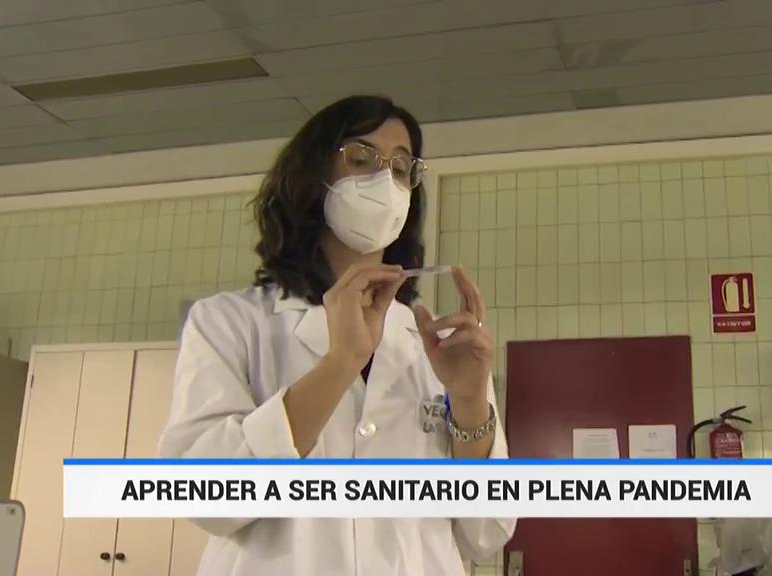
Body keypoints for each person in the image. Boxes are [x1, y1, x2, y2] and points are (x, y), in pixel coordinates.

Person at [159, 95, 515, 575]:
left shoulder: (433, 341)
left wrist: (471, 404)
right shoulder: (229, 323)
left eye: (401, 168)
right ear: (313, 176)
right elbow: (208, 501)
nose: (385, 183)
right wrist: (340, 364)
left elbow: (485, 532)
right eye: (362, 159)